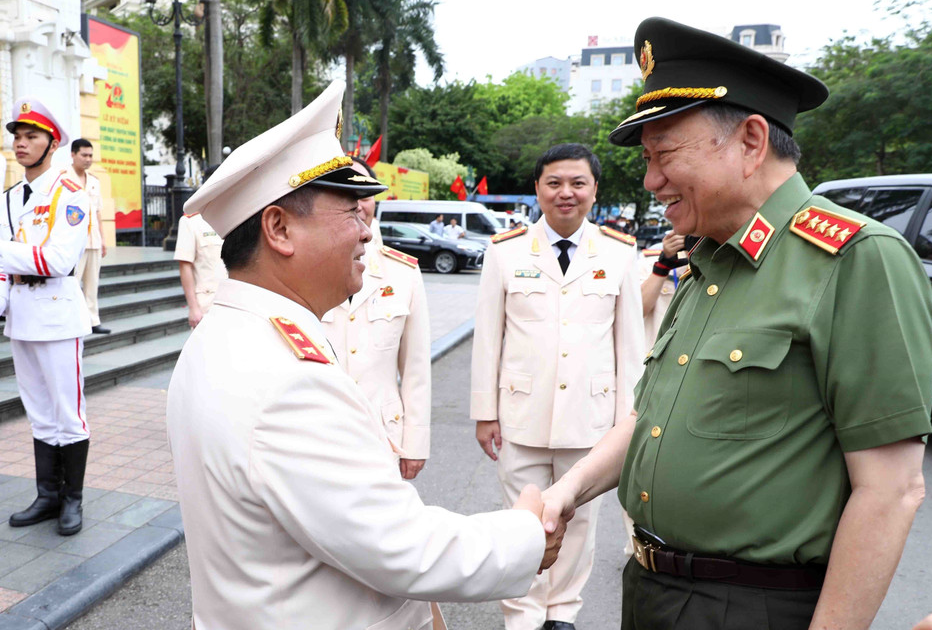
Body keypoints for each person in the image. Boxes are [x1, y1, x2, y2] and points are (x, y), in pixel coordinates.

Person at [541, 17, 932, 630]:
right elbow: (652, 420)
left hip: (751, 607)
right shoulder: (710, 259)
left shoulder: (856, 259)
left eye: (664, 155)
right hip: (651, 591)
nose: (651, 181)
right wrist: (567, 492)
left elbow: (891, 492)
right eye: (647, 161)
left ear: (751, 142)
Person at [166, 81, 566, 630]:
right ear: (279, 228)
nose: (366, 232)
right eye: (352, 212)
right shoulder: (285, 376)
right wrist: (523, 536)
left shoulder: (226, 334)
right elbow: (399, 547)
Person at [471, 142, 647, 630]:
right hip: (521, 412)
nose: (565, 193)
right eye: (554, 183)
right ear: (537, 190)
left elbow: (629, 346)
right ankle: (523, 616)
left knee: (580, 520)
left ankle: (562, 614)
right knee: (522, 518)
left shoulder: (618, 253)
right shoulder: (505, 252)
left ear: (594, 190)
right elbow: (489, 337)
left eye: (577, 183)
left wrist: (627, 421)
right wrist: (485, 412)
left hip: (591, 417)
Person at [2, 97, 92, 536]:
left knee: (67, 413)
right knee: (38, 411)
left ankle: (72, 499)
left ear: (51, 144)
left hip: (57, 313)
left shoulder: (69, 195)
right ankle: (48, 495)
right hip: (21, 314)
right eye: (17, 137)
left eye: (31, 136)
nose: (21, 143)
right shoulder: (8, 199)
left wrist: (9, 254)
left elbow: (57, 260)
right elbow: (6, 267)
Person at [321, 156, 431, 480]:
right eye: (344, 194)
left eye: (364, 194)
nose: (357, 204)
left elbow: (416, 368)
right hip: (320, 436)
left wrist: (416, 443)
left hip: (384, 438)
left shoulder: (404, 272)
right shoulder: (304, 271)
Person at [174, 164, 228, 328]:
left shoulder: (234, 219)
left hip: (234, 301)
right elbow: (185, 265)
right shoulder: (191, 222)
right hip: (207, 303)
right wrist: (193, 308)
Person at [67, 138, 110, 335]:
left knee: (92, 284)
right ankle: (73, 320)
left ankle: (93, 321)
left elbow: (98, 211)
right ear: (73, 155)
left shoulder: (93, 181)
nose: (88, 159)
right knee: (72, 283)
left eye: (90, 155)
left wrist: (103, 239)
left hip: (93, 240)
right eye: (84, 155)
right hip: (73, 243)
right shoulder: (63, 179)